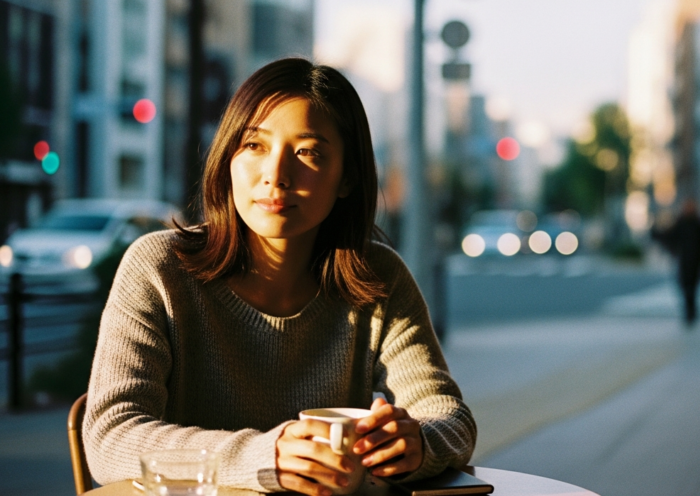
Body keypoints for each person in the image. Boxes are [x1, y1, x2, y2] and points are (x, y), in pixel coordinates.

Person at [83, 58, 476, 495]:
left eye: (307, 152)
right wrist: (266, 456)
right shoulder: (159, 268)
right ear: (227, 157)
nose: (275, 176)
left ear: (346, 177)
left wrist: (416, 443)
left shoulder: (378, 278)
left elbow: (451, 419)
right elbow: (109, 437)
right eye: (254, 146)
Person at [655, 198, 700, 325]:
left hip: (696, 261)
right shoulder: (682, 223)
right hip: (684, 261)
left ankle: (691, 312)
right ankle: (689, 312)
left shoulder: (698, 224)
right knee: (685, 286)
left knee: (693, 287)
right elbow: (669, 236)